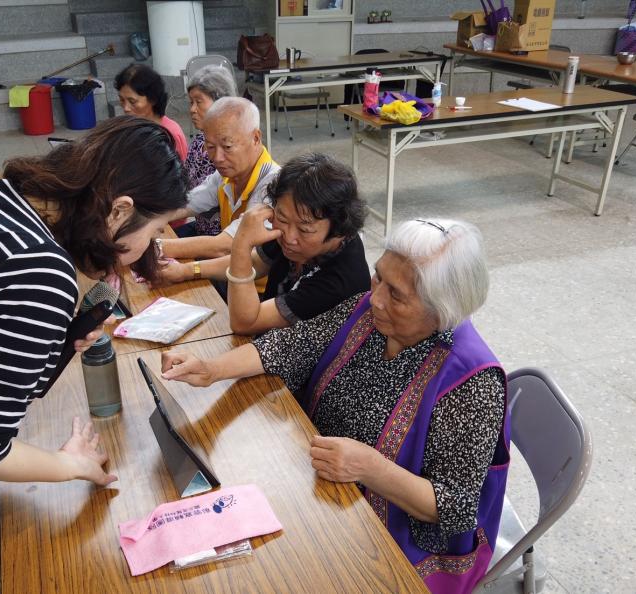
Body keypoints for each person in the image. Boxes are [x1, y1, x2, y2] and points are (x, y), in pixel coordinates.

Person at [0, 116, 187, 593]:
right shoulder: (37, 270)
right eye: (156, 230)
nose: (151, 246)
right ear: (120, 211)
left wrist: (64, 331)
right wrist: (70, 465)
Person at [160, 218, 509, 593]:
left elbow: (456, 507)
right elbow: (293, 345)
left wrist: (370, 468)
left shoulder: (472, 379)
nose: (375, 297)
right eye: (378, 279)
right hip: (322, 487)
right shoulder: (369, 312)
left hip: (388, 543)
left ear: (442, 309)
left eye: (397, 295)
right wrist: (212, 368)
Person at [157, 153, 371, 334]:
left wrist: (241, 242)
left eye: (305, 229)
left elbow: (245, 322)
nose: (288, 236)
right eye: (282, 218)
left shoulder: (339, 281)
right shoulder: (294, 231)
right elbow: (257, 262)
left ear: (339, 229)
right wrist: (186, 270)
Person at [158, 97, 280, 260]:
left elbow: (225, 246)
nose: (217, 157)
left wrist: (155, 247)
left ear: (256, 138)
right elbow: (188, 202)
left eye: (227, 147)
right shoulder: (226, 176)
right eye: (210, 147)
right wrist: (145, 218)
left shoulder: (273, 185)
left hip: (254, 283)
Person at [115, 64, 189, 161]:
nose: (126, 108)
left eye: (132, 101)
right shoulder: (131, 126)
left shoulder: (169, 133)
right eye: (122, 100)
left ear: (152, 99)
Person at [186, 64, 238, 191]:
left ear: (221, 103)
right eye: (191, 102)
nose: (192, 109)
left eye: (198, 102)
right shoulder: (197, 143)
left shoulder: (232, 148)